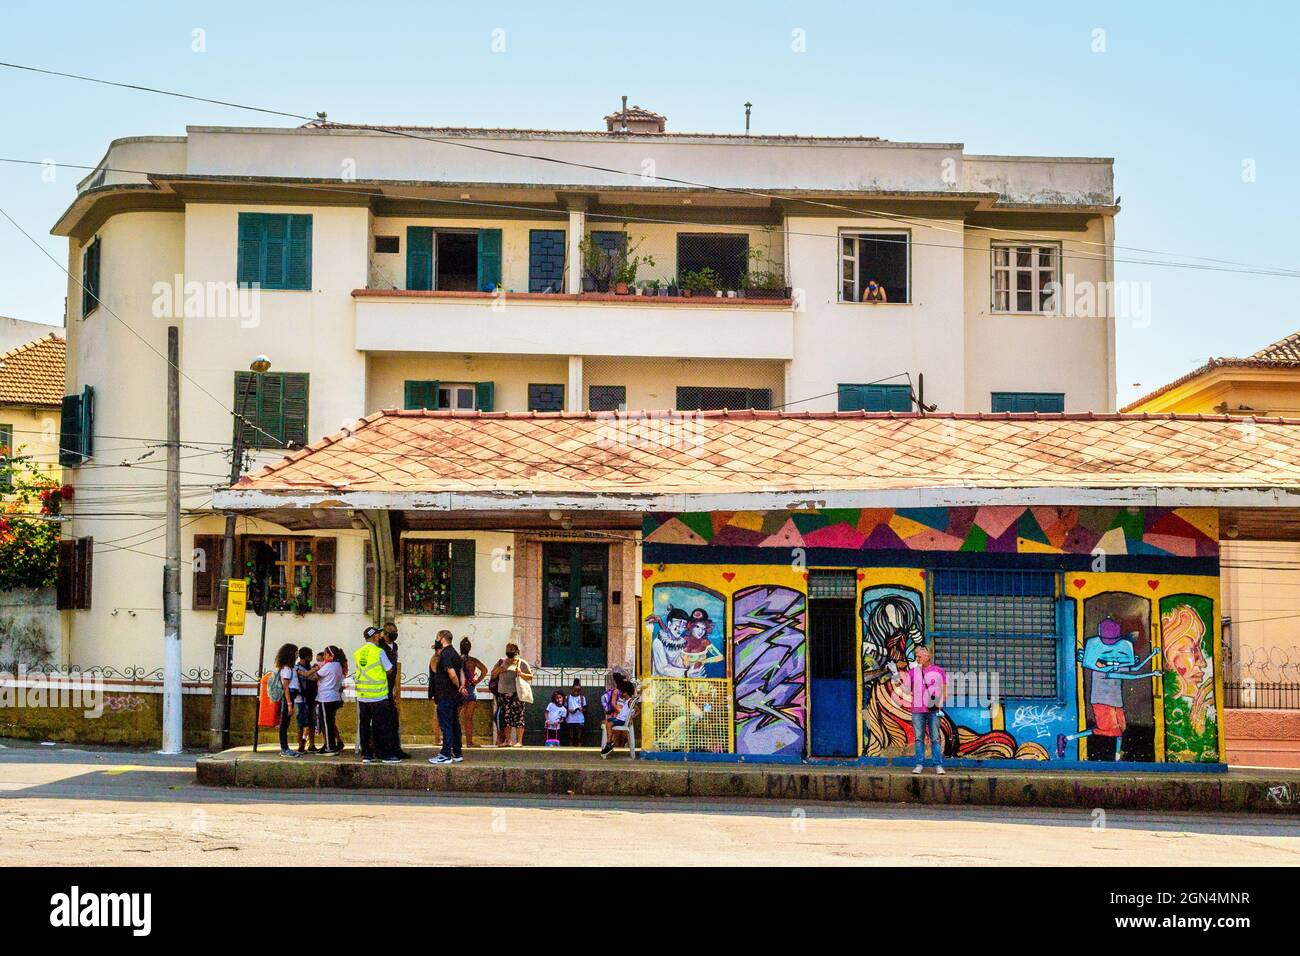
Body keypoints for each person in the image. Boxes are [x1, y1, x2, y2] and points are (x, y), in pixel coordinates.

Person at [352, 627, 401, 764]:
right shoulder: (379, 652)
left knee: (364, 725)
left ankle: (367, 754)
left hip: (362, 695)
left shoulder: (358, 653)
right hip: (378, 696)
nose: (380, 636)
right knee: (382, 725)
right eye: (378, 634)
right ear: (373, 637)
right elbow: (389, 669)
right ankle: (385, 754)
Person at [903, 645, 946, 775]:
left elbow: (944, 690)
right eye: (916, 656)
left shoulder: (939, 671)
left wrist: (940, 703)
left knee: (935, 738)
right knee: (918, 738)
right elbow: (906, 689)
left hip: (933, 709)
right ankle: (919, 764)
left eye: (919, 656)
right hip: (917, 709)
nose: (917, 659)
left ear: (928, 657)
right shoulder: (913, 672)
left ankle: (938, 765)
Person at [301, 646, 346, 754]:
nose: (324, 657)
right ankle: (329, 744)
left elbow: (314, 677)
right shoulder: (338, 666)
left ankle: (330, 747)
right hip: (334, 696)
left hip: (326, 698)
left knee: (326, 723)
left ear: (331, 655)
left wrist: (303, 673)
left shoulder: (329, 666)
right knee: (329, 722)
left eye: (326, 655)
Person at [429, 630, 464, 765]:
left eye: (437, 637)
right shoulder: (455, 653)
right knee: (454, 724)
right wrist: (460, 687)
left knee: (446, 724)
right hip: (454, 696)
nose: (436, 640)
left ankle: (445, 754)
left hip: (446, 695)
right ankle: (457, 752)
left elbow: (452, 674)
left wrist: (456, 685)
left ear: (442, 639)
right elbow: (460, 671)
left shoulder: (445, 654)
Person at [491, 643, 534, 748]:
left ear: (516, 650)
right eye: (507, 648)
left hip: (516, 694)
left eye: (511, 649)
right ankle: (508, 740)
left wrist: (521, 673)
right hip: (503, 694)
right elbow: (492, 675)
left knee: (519, 717)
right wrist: (500, 669)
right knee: (506, 718)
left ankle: (519, 741)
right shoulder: (501, 661)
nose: (509, 650)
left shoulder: (521, 663)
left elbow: (530, 676)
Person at [380, 621, 412, 760]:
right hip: (379, 688)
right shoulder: (379, 646)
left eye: (395, 631)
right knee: (384, 721)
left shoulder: (394, 646)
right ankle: (385, 749)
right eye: (392, 632)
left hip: (390, 688)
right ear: (385, 634)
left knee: (393, 720)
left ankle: (395, 748)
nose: (394, 634)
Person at [458, 638, 487, 748]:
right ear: (470, 648)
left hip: (459, 689)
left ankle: (454, 741)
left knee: (455, 717)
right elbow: (484, 669)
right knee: (468, 717)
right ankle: (469, 742)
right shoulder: (473, 661)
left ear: (460, 648)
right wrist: (478, 680)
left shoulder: (456, 660)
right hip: (470, 688)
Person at [274, 643, 300, 757]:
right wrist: (289, 704)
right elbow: (286, 687)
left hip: (291, 695)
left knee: (286, 723)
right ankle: (284, 748)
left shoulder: (291, 668)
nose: (297, 654)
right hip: (288, 696)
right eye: (296, 652)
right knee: (284, 723)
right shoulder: (287, 669)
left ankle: (285, 748)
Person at [294, 646, 319, 753]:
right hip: (301, 699)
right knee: (301, 723)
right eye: (311, 656)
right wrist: (316, 669)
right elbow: (306, 675)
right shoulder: (297, 667)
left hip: (311, 698)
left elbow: (313, 677)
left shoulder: (309, 667)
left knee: (312, 723)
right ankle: (300, 745)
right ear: (307, 656)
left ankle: (312, 744)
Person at [564, 679, 586, 747]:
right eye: (575, 690)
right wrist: (568, 710)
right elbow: (564, 708)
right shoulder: (567, 698)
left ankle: (579, 747)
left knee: (579, 736)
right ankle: (570, 747)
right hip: (570, 719)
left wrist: (582, 709)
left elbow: (585, 709)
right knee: (571, 736)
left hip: (580, 719)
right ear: (572, 689)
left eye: (578, 690)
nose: (576, 692)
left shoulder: (582, 698)